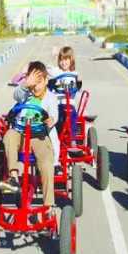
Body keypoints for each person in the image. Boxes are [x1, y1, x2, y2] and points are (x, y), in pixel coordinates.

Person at [0, 62, 58, 210]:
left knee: (46, 163)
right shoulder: (26, 94)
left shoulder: (50, 98)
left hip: (40, 135)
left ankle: (48, 206)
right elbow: (16, 94)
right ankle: (13, 177)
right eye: (33, 83)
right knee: (9, 135)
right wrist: (26, 85)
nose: (36, 86)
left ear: (45, 81)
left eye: (39, 82)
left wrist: (51, 119)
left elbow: (54, 114)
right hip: (21, 132)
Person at [46, 46, 82, 175]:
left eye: (66, 59)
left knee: (72, 114)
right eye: (61, 59)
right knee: (56, 119)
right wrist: (52, 55)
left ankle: (72, 140)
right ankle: (55, 141)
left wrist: (79, 81)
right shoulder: (58, 72)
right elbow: (49, 68)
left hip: (69, 105)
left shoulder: (75, 74)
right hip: (58, 104)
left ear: (71, 60)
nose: (63, 62)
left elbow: (79, 86)